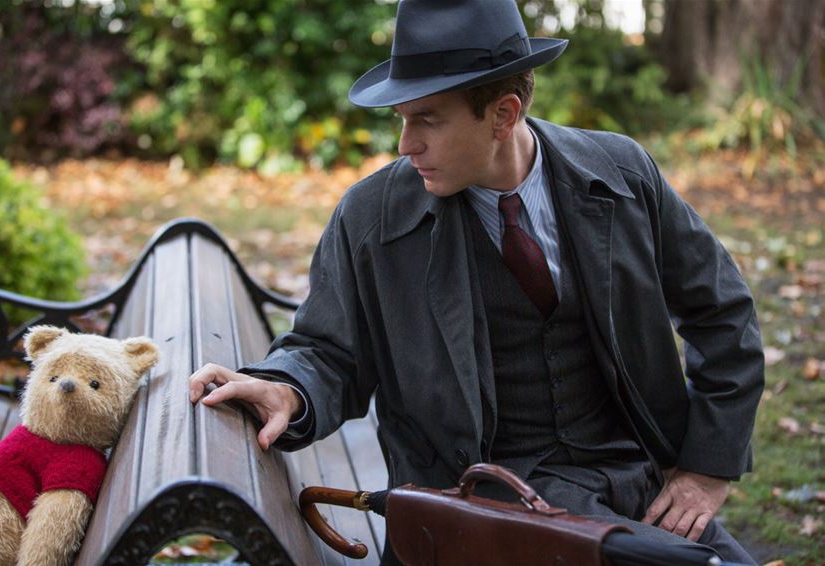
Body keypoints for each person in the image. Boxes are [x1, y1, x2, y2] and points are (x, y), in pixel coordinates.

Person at [189, 1, 764, 563]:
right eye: (402, 119)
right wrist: (287, 389)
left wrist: (706, 467)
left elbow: (722, 310)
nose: (405, 144)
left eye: (428, 119)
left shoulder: (621, 174)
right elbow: (327, 350)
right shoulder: (372, 219)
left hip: (637, 479)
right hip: (481, 507)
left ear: (503, 115)